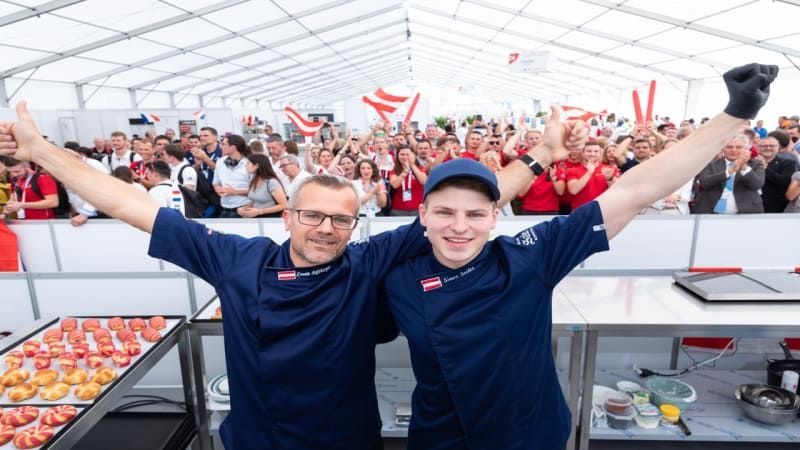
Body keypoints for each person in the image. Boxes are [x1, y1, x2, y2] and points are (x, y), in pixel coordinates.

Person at [0, 98, 586, 450]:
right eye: (313, 216)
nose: (326, 229)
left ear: (355, 225)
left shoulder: (367, 260)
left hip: (348, 441)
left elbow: (468, 211)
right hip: (261, 441)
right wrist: (45, 153)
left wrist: (543, 157)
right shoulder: (238, 260)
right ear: (289, 216)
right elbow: (133, 206)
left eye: (341, 219)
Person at [382, 63, 778, 450]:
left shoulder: (530, 256)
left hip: (530, 435)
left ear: (494, 217)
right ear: (423, 216)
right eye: (445, 213)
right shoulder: (396, 275)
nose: (460, 227)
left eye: (475, 214)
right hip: (442, 437)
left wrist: (733, 115)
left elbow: (634, 191)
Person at [236, 154, 288, 218]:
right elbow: (256, 201)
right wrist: (243, 208)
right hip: (255, 220)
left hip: (269, 221)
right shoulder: (254, 180)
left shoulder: (271, 182)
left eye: (248, 163)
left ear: (256, 166)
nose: (245, 166)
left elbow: (284, 205)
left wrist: (260, 211)